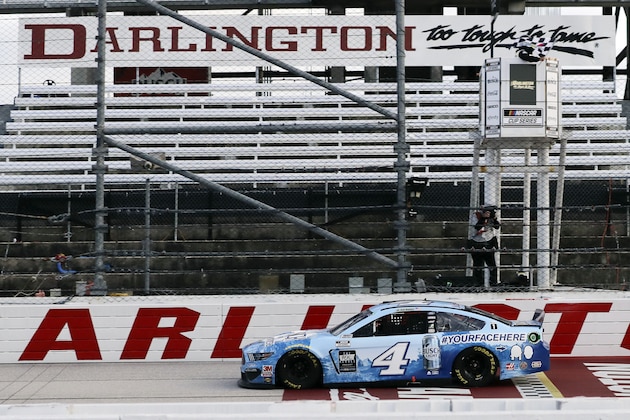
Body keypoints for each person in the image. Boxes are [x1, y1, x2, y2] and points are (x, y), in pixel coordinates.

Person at [468, 205, 501, 285]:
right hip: (476, 242)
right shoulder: (476, 215)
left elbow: (497, 227)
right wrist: (483, 217)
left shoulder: (492, 218)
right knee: (478, 265)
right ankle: (479, 285)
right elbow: (477, 227)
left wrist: (494, 219)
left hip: (488, 241)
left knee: (492, 265)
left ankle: (493, 284)